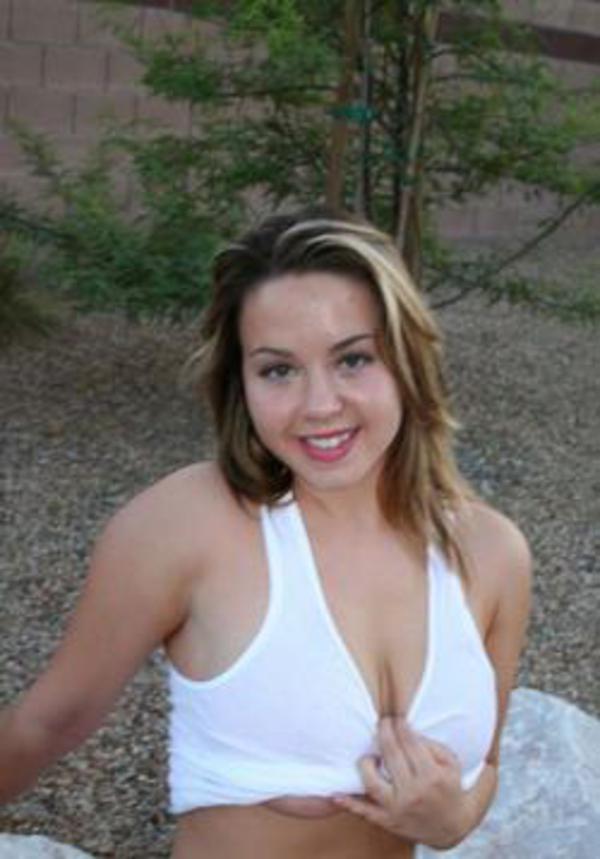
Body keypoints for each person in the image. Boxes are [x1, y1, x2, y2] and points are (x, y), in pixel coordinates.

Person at [0, 208, 531, 858]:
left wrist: (455, 818)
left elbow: (487, 764)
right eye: (279, 370)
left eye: (353, 359)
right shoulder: (187, 525)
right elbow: (47, 723)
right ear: (242, 384)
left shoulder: (492, 553)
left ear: (407, 360)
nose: (320, 405)